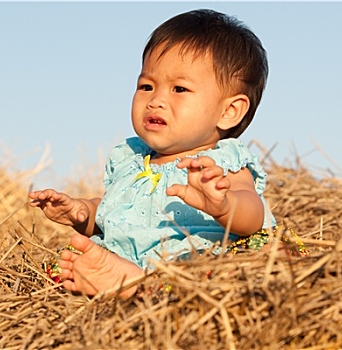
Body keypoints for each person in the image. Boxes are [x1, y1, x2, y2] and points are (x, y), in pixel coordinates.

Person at [29, 9, 307, 298]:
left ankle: (140, 286)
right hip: (130, 257)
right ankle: (128, 280)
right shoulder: (130, 158)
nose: (156, 100)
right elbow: (115, 214)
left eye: (179, 89)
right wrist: (81, 212)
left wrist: (223, 206)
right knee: (67, 259)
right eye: (146, 86)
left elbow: (253, 215)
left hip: (199, 260)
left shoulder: (222, 161)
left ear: (228, 111)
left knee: (268, 259)